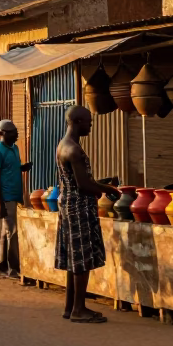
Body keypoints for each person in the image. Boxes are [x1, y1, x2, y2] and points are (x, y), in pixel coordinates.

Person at [55, 106, 120, 323]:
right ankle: (79, 310)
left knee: (74, 257)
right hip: (79, 206)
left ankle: (70, 307)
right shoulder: (73, 150)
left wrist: (102, 184)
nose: (91, 125)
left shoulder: (62, 146)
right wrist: (108, 190)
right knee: (81, 258)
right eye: (88, 122)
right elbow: (83, 185)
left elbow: (79, 180)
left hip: (67, 203)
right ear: (77, 121)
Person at [0, 119, 31, 279]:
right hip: (6, 198)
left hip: (16, 195)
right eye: (12, 132)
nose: (16, 134)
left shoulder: (14, 148)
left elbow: (11, 168)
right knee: (12, 233)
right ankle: (13, 269)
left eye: (16, 131)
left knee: (6, 232)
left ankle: (2, 264)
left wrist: (22, 168)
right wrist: (0, 203)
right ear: (2, 133)